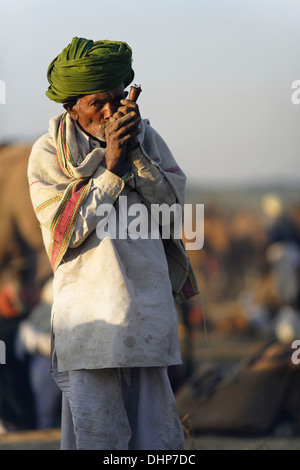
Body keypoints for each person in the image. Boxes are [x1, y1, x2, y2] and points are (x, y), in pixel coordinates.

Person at [28, 37, 199, 450]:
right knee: (99, 436)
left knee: (156, 439)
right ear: (70, 106)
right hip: (89, 324)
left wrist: (135, 155)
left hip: (146, 315)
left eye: (116, 100)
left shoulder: (148, 139)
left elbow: (176, 215)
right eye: (95, 104)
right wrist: (111, 168)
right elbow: (63, 230)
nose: (108, 112)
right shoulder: (49, 152)